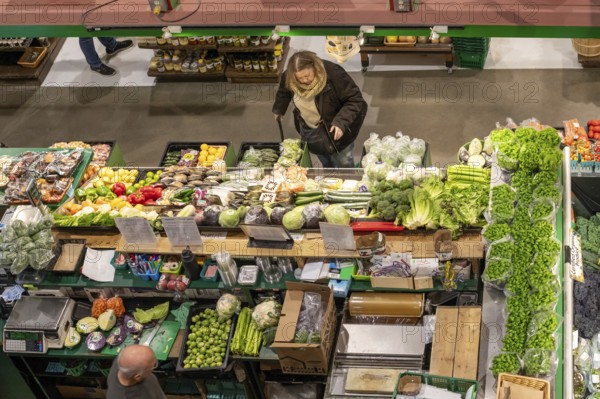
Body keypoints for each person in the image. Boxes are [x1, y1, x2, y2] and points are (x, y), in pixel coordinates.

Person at [272, 50, 367, 168]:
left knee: (343, 162)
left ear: (314, 67)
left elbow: (354, 99)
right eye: (300, 78)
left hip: (335, 129)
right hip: (310, 129)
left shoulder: (333, 73)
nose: (305, 81)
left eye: (307, 76)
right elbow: (284, 92)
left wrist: (341, 122)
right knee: (325, 160)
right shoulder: (289, 77)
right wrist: (279, 109)